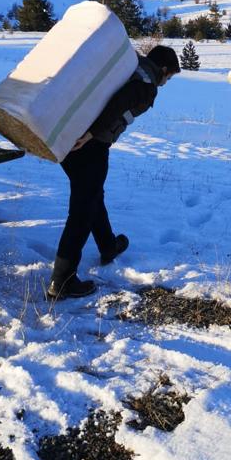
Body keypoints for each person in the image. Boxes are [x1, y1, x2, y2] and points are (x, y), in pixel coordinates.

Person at [47, 44, 181, 300]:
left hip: (69, 135)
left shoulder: (128, 66)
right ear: (163, 70)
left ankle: (108, 245)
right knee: (82, 209)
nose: (167, 82)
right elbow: (117, 105)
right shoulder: (145, 84)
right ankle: (62, 280)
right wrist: (91, 134)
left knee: (91, 193)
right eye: (170, 76)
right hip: (89, 144)